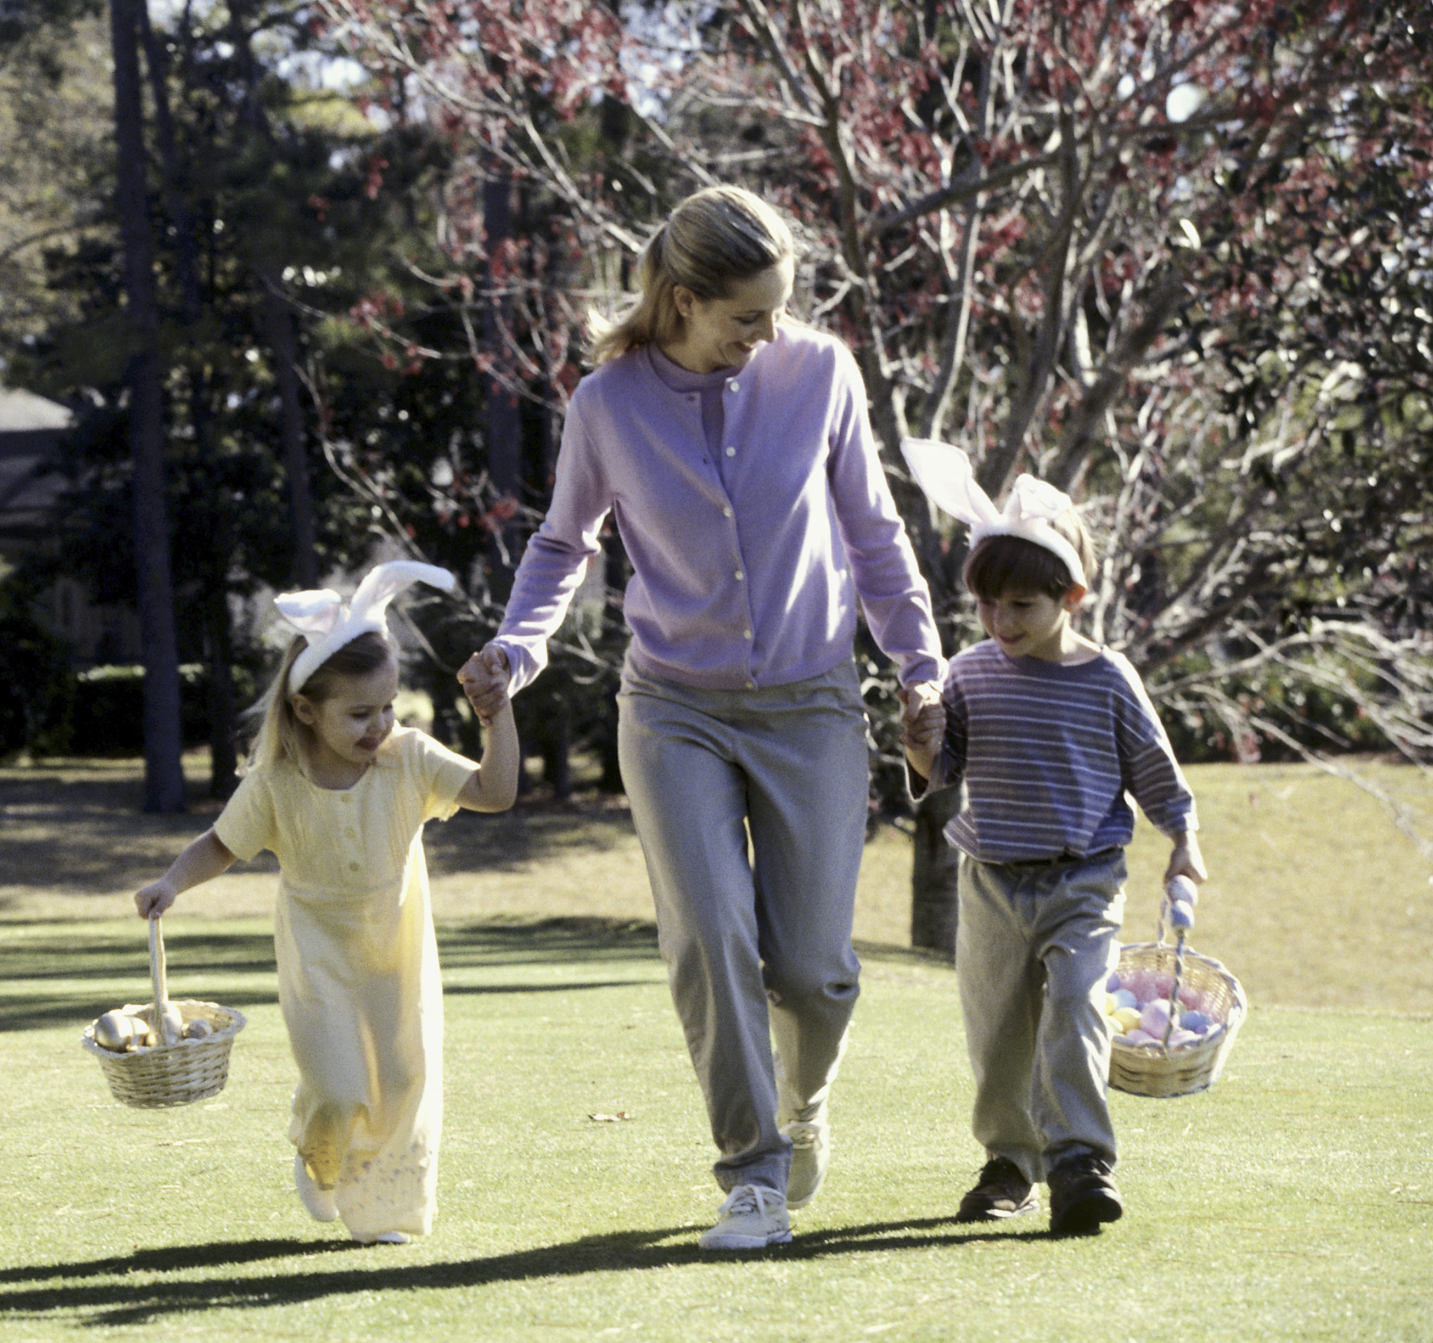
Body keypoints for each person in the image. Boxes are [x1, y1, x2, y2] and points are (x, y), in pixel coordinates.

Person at [457, 186, 945, 1250]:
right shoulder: (607, 404)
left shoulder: (819, 374)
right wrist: (517, 645)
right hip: (672, 708)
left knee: (815, 971)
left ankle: (800, 1107)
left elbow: (871, 528)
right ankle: (752, 1175)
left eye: (776, 311)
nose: (768, 333)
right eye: (745, 317)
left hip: (811, 702)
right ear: (681, 300)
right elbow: (561, 543)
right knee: (710, 936)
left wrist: (922, 665)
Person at [136, 561, 519, 1244]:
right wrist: (172, 881)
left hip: (396, 952)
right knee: (340, 1089)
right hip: (318, 961)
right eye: (359, 713)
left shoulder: (409, 758)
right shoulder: (277, 782)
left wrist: (497, 716)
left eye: (387, 706)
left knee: (404, 1080)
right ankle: (319, 1157)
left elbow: (495, 791)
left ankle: (387, 1216)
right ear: (307, 709)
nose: (379, 725)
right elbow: (221, 844)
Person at [900, 439, 1206, 1235]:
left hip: (1083, 883)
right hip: (992, 880)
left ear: (1069, 595)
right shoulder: (968, 672)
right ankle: (1010, 1163)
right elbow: (941, 768)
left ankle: (1080, 1161)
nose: (1001, 621)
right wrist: (917, 737)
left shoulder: (1108, 679)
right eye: (988, 605)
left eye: (1022, 606)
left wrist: (1183, 839)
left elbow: (1156, 773)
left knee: (1075, 1009)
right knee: (997, 1030)